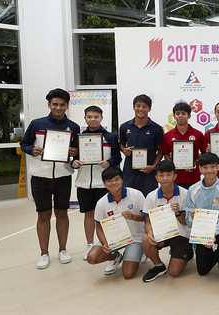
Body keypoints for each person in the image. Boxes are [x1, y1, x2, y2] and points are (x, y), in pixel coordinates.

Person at [19, 88, 80, 270]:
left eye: (62, 105)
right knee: (43, 215)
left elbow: (77, 151)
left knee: (62, 213)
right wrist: (32, 150)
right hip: (40, 177)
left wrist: (74, 152)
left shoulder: (73, 127)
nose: (59, 108)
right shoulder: (37, 124)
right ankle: (44, 253)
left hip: (62, 177)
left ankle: (63, 250)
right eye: (55, 104)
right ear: (49, 104)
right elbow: (24, 144)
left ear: (67, 106)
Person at [71, 105, 121, 261]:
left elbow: (117, 158)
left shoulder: (110, 137)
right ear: (85, 118)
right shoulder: (78, 137)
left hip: (103, 184)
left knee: (107, 216)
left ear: (101, 118)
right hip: (84, 182)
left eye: (96, 117)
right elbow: (73, 157)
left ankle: (109, 243)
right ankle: (90, 244)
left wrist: (109, 163)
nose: (93, 119)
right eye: (89, 117)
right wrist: (74, 163)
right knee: (88, 214)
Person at [183, 153, 219, 282]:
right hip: (201, 231)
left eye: (213, 167)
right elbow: (188, 219)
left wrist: (213, 233)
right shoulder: (193, 189)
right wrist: (192, 217)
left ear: (218, 167)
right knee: (202, 270)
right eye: (205, 167)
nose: (209, 171)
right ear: (200, 169)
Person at [85, 166, 145, 279]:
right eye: (109, 180)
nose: (113, 183)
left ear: (122, 179)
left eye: (116, 179)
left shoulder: (136, 194)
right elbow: (98, 227)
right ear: (104, 183)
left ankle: (140, 251)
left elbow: (146, 218)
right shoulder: (101, 203)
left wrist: (133, 217)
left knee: (128, 274)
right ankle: (115, 256)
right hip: (113, 238)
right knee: (91, 258)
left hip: (135, 237)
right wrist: (104, 244)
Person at [140, 161, 193, 282]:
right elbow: (147, 221)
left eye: (169, 175)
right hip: (162, 234)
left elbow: (186, 223)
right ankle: (159, 266)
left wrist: (178, 213)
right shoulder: (151, 197)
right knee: (146, 240)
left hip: (181, 235)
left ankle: (187, 253)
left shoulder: (185, 194)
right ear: (156, 177)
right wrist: (149, 233)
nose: (165, 178)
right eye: (161, 175)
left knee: (173, 272)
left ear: (175, 176)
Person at [119, 94, 164, 195]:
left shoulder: (157, 129)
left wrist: (153, 167)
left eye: (144, 106)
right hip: (129, 172)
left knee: (149, 202)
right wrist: (124, 150)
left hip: (148, 173)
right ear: (133, 107)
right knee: (129, 200)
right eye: (138, 106)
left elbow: (160, 151)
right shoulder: (124, 127)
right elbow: (121, 144)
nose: (141, 109)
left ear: (149, 109)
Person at [164, 102, 204, 190]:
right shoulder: (167, 135)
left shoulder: (198, 134)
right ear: (174, 116)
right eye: (177, 114)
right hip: (174, 178)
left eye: (183, 113)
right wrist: (172, 164)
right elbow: (166, 154)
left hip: (193, 177)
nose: (180, 116)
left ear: (189, 116)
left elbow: (204, 154)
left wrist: (195, 163)